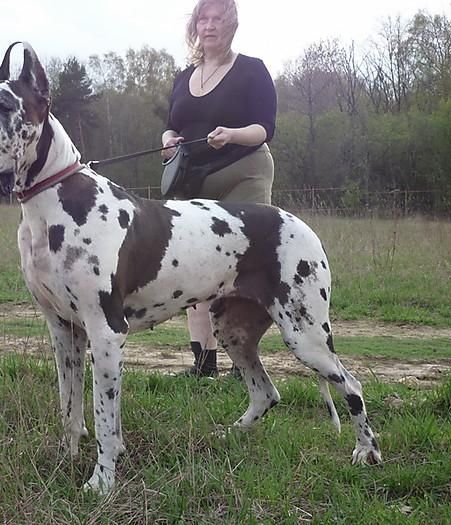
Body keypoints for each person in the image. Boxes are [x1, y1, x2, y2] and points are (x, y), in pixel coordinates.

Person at [161, 0, 277, 377]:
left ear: (231, 25)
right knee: (195, 269)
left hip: (244, 175)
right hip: (193, 182)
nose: (209, 26)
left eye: (218, 19)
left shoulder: (252, 70)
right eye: (203, 19)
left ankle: (243, 365)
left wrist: (232, 135)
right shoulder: (183, 77)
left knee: (239, 272)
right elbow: (172, 125)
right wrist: (167, 141)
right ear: (195, 26)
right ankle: (203, 365)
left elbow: (264, 129)